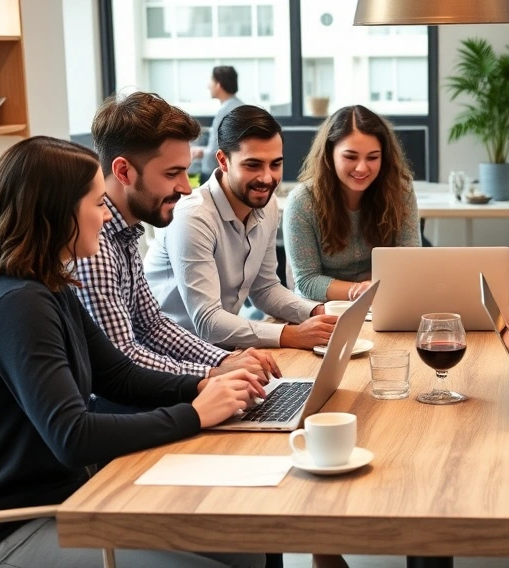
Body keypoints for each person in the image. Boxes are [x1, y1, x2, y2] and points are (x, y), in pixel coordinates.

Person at [0, 136, 269, 568]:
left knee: (247, 553)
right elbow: (72, 437)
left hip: (63, 502)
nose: (104, 216)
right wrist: (194, 414)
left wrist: (203, 385)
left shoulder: (47, 287)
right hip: (5, 533)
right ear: (56, 214)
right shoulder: (17, 305)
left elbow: (118, 375)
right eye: (96, 203)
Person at [76, 92, 280, 383]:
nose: (186, 188)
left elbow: (153, 327)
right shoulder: (95, 245)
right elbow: (123, 359)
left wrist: (226, 359)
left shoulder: (126, 233)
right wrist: (211, 373)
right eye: (173, 174)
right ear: (123, 171)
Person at [145, 105, 336, 350]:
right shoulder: (193, 216)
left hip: (221, 351)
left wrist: (318, 312)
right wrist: (292, 335)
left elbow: (265, 288)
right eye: (253, 165)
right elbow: (208, 322)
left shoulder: (267, 205)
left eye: (275, 164)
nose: (267, 178)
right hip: (171, 357)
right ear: (223, 161)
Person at [284, 104, 421, 302]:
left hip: (385, 301)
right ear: (330, 154)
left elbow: (409, 264)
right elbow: (306, 281)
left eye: (373, 157)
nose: (362, 168)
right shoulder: (302, 201)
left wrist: (373, 290)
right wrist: (360, 291)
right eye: (350, 156)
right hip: (324, 307)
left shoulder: (401, 193)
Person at [193, 65, 244, 182]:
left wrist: (199, 153)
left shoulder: (226, 111)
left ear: (219, 84)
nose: (208, 86)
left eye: (211, 81)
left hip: (218, 175)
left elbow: (215, 150)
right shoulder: (239, 106)